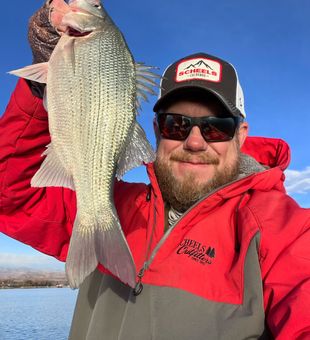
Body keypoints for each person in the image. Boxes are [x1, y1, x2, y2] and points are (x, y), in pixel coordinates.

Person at [0, 2, 309, 339]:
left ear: (241, 135)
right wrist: (43, 84)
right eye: (176, 124)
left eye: (216, 126)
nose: (194, 142)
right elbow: (9, 193)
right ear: (157, 131)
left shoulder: (285, 232)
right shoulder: (115, 203)